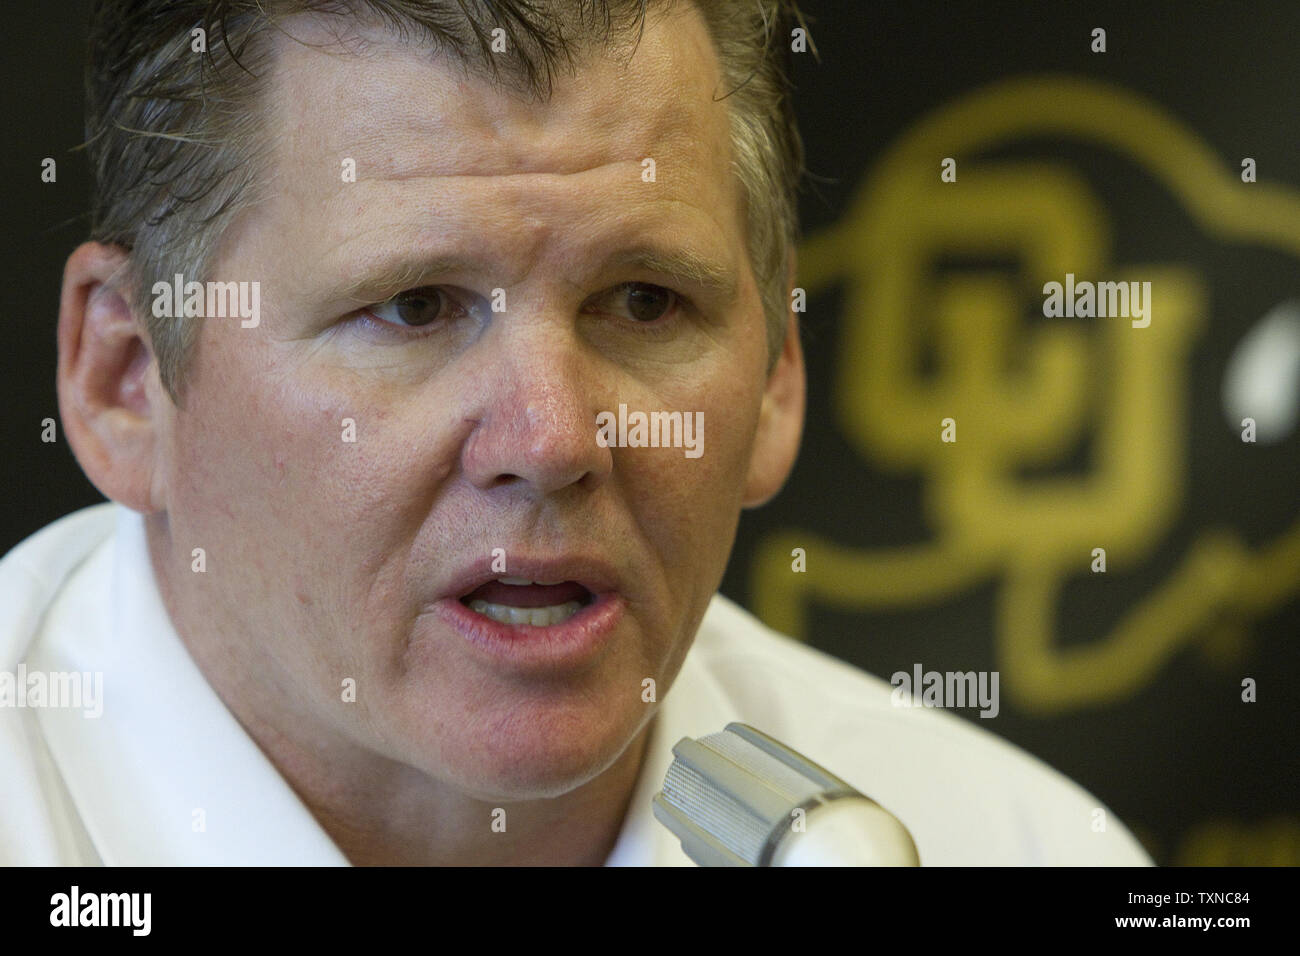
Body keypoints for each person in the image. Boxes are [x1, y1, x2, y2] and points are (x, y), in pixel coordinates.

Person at [0, 0, 1151, 866]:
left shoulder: (1019, 846)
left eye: (645, 301)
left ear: (777, 369)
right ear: (129, 378)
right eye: (414, 307)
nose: (552, 440)